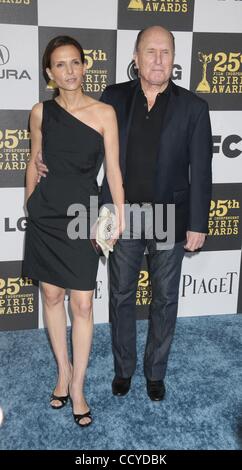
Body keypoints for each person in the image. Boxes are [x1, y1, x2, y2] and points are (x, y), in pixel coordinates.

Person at [37, 26, 212, 402]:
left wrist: (198, 223)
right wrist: (44, 159)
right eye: (151, 52)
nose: (158, 60)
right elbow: (83, 140)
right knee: (120, 295)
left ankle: (155, 372)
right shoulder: (113, 97)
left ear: (174, 59)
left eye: (165, 53)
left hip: (170, 216)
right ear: (136, 58)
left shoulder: (194, 107)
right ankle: (124, 369)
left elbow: (202, 170)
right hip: (122, 212)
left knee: (164, 298)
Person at [23, 35, 124, 426]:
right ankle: (62, 373)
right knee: (51, 296)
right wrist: (29, 201)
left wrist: (118, 214)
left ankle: (78, 385)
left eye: (74, 63)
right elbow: (34, 160)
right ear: (50, 73)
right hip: (46, 215)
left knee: (82, 303)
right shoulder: (39, 112)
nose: (68, 71)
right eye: (60, 65)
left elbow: (113, 171)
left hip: (84, 214)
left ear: (85, 67)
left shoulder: (104, 113)